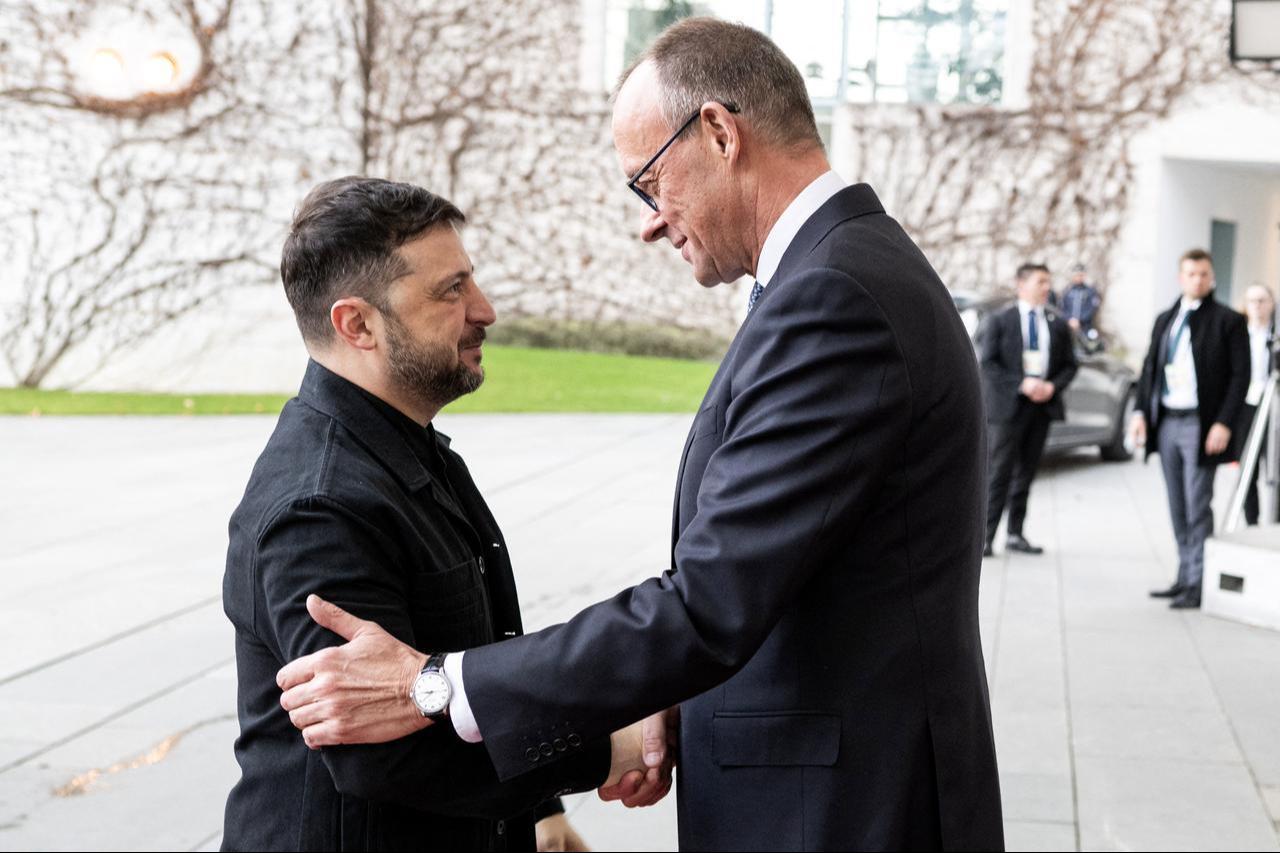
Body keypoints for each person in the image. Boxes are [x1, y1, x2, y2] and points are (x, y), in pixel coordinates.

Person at [276, 19, 1004, 851]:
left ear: (721, 133)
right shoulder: (842, 273)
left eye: (650, 182)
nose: (653, 222)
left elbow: (710, 602)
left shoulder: (833, 298)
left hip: (840, 811)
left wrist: (439, 685)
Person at [220, 177, 651, 851]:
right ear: (356, 323)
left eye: (470, 282)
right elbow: (381, 752)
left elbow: (466, 667)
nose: (485, 309)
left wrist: (538, 812)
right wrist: (612, 748)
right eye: (450, 291)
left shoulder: (409, 449)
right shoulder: (320, 505)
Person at [1129, 248, 1250, 609]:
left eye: (1204, 274)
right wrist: (1139, 412)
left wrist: (1224, 423)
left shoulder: (1227, 321)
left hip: (1201, 424)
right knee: (1177, 504)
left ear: (1211, 277)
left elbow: (1240, 376)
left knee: (1198, 505)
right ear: (1181, 277)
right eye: (1191, 274)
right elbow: (1150, 368)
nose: (1198, 280)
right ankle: (1184, 575)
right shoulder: (1166, 319)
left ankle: (1198, 582)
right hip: (1167, 420)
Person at [980, 263, 1079, 556]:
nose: (1047, 287)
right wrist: (1022, 384)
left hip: (1041, 409)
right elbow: (988, 363)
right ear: (1021, 284)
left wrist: (1051, 387)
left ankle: (1015, 533)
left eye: (1048, 282)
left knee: (1026, 473)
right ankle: (985, 537)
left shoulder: (1056, 323)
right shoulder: (1000, 320)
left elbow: (1070, 365)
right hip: (1008, 408)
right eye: (1041, 282)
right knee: (999, 472)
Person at [1237, 284, 1277, 525]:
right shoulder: (1239, 334)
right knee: (1247, 469)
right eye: (1253, 301)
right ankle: (1252, 521)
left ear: (1272, 303)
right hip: (1247, 407)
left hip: (1274, 406)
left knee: (1274, 466)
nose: (1258, 306)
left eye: (1262, 300)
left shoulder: (1275, 335)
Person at [1060, 263, 1102, 335]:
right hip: (1069, 326)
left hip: (1085, 327)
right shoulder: (1067, 291)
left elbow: (1092, 309)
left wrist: (1079, 320)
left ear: (1084, 275)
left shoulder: (1091, 291)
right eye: (1076, 275)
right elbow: (1062, 308)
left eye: (1081, 275)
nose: (1079, 277)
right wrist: (1069, 320)